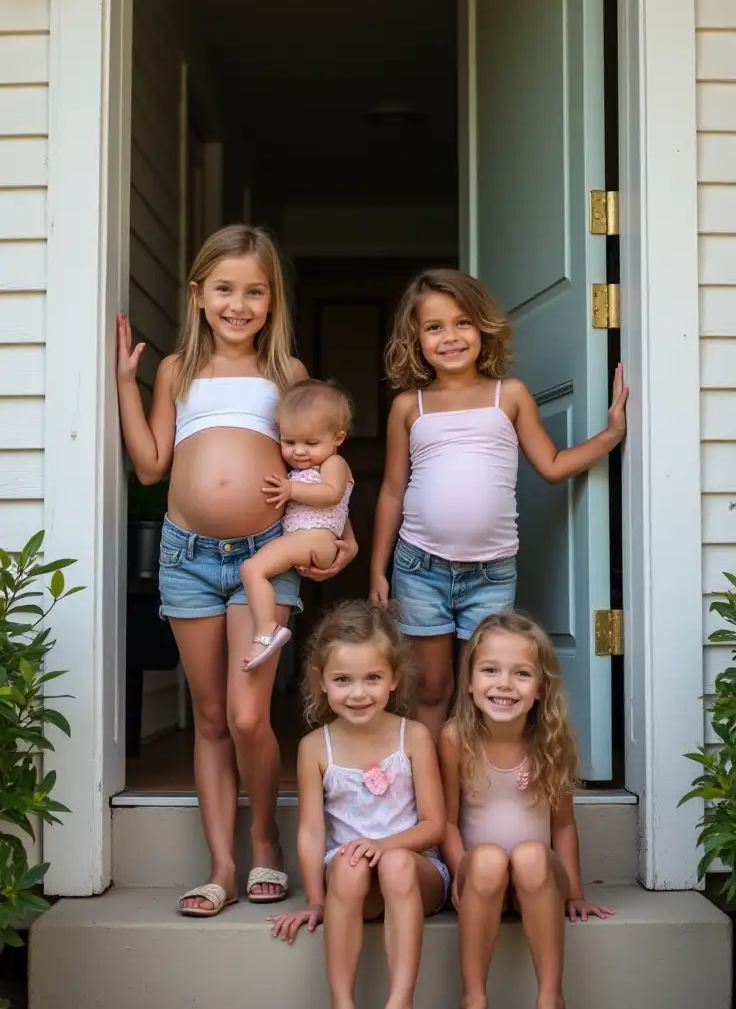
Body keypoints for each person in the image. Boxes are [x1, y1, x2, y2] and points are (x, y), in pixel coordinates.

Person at [116, 224, 357, 916]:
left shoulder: (289, 375)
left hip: (262, 557)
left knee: (252, 716)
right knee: (212, 715)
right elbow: (151, 465)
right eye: (224, 289)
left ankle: (265, 842)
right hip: (187, 557)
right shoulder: (177, 373)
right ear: (198, 295)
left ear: (272, 300)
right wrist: (125, 387)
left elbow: (326, 465)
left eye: (254, 291)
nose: (238, 304)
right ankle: (222, 864)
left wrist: (342, 539)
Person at [370, 268, 628, 739]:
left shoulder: (508, 395)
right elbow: (392, 489)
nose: (450, 337)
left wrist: (611, 435)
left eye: (462, 322)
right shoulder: (410, 405)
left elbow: (550, 465)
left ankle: (480, 798)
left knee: (488, 692)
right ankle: (433, 799)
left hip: (490, 573)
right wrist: (377, 569)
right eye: (434, 327)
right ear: (415, 339)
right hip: (419, 568)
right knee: (431, 689)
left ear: (483, 327)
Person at [268, 600, 449, 1009]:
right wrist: (314, 899)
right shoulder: (314, 748)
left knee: (393, 865)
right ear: (320, 681)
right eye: (343, 680)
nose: (358, 692)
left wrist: (388, 847)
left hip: (416, 871)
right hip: (353, 882)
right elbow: (310, 831)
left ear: (394, 679)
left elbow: (434, 824)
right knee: (347, 864)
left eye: (372, 678)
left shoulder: (414, 738)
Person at [438, 611, 613, 1009]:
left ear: (541, 688)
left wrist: (573, 890)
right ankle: (472, 1003)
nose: (505, 684)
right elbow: (449, 822)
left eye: (522, 673)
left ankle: (550, 1004)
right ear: (470, 681)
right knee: (490, 858)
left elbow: (563, 826)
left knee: (533, 854)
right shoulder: (455, 738)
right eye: (490, 670)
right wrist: (461, 872)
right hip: (482, 880)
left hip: (539, 881)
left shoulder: (550, 741)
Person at [241, 380, 353, 670]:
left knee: (252, 569)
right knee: (257, 570)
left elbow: (332, 495)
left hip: (314, 539)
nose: (299, 452)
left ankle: (266, 630)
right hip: (309, 538)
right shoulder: (307, 468)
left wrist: (290, 490)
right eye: (289, 442)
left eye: (311, 443)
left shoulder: (334, 464)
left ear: (338, 438)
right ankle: (267, 628)